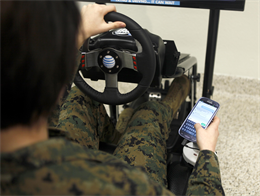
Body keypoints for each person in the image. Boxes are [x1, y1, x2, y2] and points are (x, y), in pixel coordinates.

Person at [0, 0, 224, 195]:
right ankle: (178, 88)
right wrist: (206, 154)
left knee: (81, 92)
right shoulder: (127, 187)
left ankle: (122, 127)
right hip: (102, 171)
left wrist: (77, 36)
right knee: (148, 116)